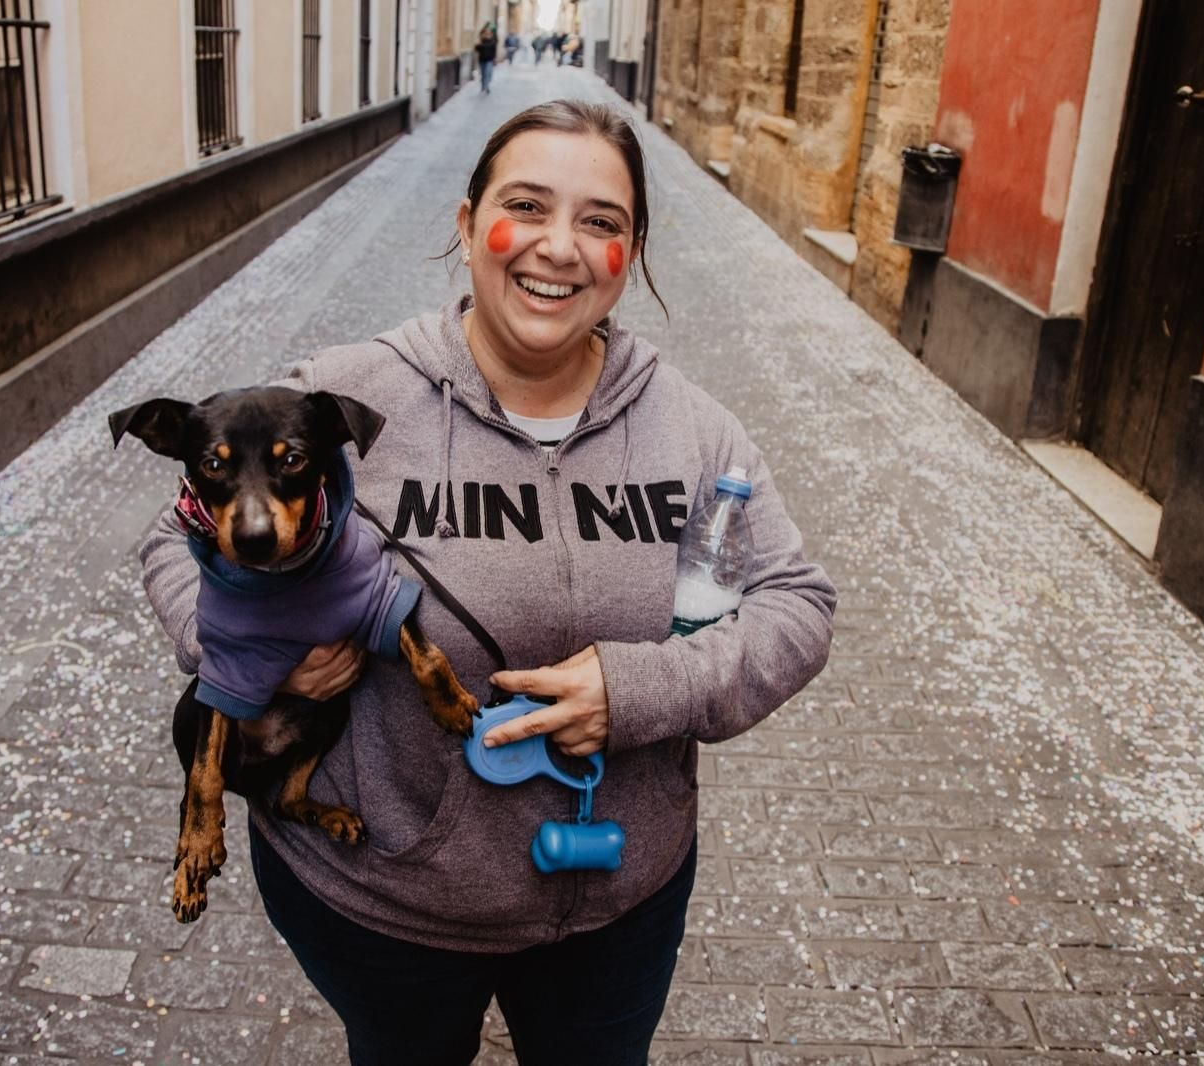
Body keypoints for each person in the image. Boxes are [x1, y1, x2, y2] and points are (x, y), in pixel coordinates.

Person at [139, 100, 836, 1066]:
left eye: (601, 222)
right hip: (383, 904)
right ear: (466, 224)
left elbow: (800, 604)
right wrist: (249, 656)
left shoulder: (689, 429)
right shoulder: (347, 398)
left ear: (629, 254)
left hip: (615, 903)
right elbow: (178, 536)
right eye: (526, 207)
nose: (558, 247)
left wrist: (643, 690)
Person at [476, 25, 498, 94]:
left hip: (489, 60)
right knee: (483, 74)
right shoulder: (481, 41)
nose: (487, 35)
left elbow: (494, 51)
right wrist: (479, 43)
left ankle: (487, 86)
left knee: (488, 74)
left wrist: (494, 59)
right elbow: (476, 49)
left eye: (488, 33)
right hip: (482, 60)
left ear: (491, 34)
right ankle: (483, 86)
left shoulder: (492, 42)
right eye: (486, 33)